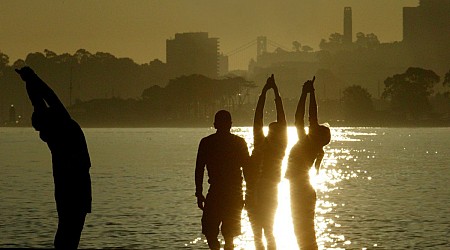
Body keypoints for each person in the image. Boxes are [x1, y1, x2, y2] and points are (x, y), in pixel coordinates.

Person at [15, 67, 92, 250]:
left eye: (39, 129)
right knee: (69, 230)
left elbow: (40, 100)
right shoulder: (63, 125)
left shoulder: (58, 130)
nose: (40, 133)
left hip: (70, 187)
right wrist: (32, 79)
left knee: (67, 230)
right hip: (73, 186)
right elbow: (47, 98)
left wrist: (30, 80)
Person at [286, 77, 331, 250]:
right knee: (306, 233)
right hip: (303, 190)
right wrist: (311, 93)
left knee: (303, 233)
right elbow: (312, 117)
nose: (313, 126)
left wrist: (305, 94)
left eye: (315, 127)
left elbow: (300, 118)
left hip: (300, 191)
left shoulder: (307, 143)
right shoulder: (314, 146)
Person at [195, 110, 250, 250]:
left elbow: (199, 169)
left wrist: (199, 192)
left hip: (220, 192)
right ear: (231, 125)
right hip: (232, 193)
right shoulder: (239, 142)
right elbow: (248, 172)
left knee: (212, 231)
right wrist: (248, 195)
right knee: (226, 233)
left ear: (215, 125)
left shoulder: (207, 142)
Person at [245, 74, 287, 250]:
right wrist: (264, 93)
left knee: (267, 231)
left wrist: (273, 92)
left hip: (268, 192)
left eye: (273, 130)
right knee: (260, 233)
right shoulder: (261, 143)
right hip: (254, 191)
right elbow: (258, 118)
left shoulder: (279, 147)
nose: (270, 131)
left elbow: (281, 118)